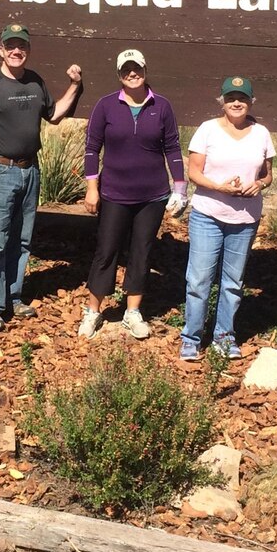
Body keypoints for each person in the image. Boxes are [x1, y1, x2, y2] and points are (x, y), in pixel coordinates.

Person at [0, 24, 83, 332]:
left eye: (21, 46)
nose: (16, 50)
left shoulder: (35, 82)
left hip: (30, 170)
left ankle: (13, 297)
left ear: (27, 50)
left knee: (22, 240)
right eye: (10, 45)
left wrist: (75, 86)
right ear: (1, 49)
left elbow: (53, 115)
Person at [78, 49, 187, 340]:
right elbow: (92, 148)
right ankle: (93, 311)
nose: (132, 74)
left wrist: (180, 187)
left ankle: (132, 312)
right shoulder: (106, 106)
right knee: (106, 251)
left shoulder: (161, 106)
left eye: (136, 68)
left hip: (152, 196)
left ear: (145, 69)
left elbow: (173, 148)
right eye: (126, 70)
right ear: (119, 74)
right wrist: (92, 187)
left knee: (142, 251)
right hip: (114, 193)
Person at [180, 76, 275, 362]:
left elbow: (268, 174)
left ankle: (224, 335)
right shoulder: (208, 130)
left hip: (245, 218)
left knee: (233, 281)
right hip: (208, 214)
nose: (237, 103)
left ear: (250, 102)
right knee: (199, 279)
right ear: (222, 101)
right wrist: (220, 187)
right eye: (231, 98)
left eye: (243, 98)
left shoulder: (261, 133)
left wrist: (259, 184)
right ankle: (191, 337)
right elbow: (193, 173)